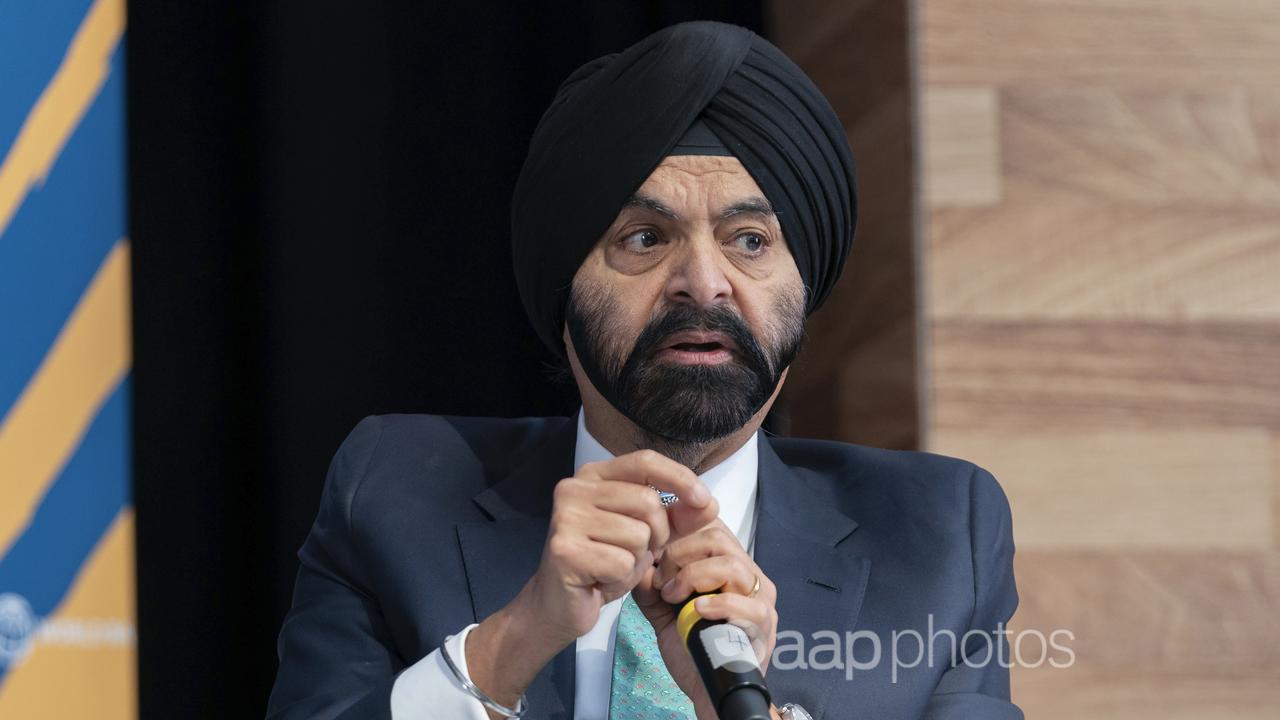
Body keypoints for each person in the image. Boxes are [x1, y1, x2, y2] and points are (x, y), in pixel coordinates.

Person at [266, 20, 1021, 720]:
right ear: (565, 293)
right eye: (645, 236)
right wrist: (510, 646)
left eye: (751, 240)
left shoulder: (937, 538)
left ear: (805, 286)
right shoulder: (395, 494)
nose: (704, 279)